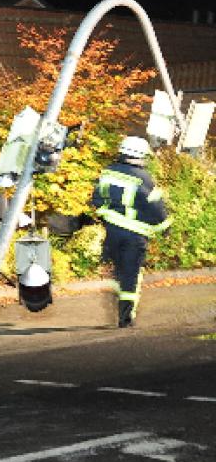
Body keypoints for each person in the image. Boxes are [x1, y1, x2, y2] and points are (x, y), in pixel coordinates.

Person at [91, 136, 171, 328]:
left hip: (112, 231)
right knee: (130, 275)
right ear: (141, 156)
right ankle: (125, 318)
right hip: (134, 235)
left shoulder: (108, 172)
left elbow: (97, 199)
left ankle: (117, 299)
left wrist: (105, 216)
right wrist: (165, 226)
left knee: (118, 270)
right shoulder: (143, 178)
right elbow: (156, 207)